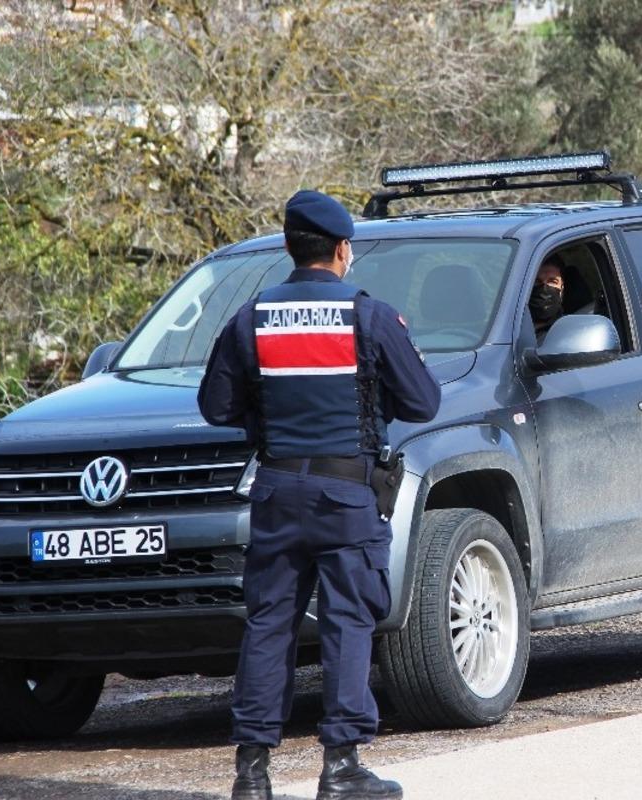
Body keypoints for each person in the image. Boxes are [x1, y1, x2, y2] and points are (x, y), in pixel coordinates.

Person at [198, 189, 441, 800]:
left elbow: (215, 406)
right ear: (340, 249)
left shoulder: (251, 317)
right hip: (346, 496)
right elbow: (423, 401)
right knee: (347, 623)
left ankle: (251, 775)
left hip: (277, 491)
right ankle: (341, 768)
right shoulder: (368, 316)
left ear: (287, 246)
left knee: (269, 626)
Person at [529, 255, 565, 342]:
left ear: (562, 289)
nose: (544, 287)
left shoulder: (565, 331)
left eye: (552, 281)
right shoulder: (509, 325)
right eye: (537, 281)